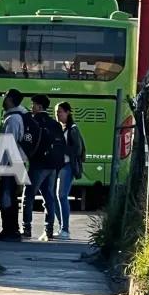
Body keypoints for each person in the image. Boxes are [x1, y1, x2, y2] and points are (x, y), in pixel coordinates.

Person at [22, 94, 65, 241]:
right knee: (49, 198)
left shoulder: (34, 122)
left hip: (38, 164)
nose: (31, 107)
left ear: (39, 106)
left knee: (29, 197)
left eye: (33, 104)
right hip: (53, 166)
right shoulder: (55, 124)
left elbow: (28, 141)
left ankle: (26, 228)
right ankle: (49, 230)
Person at [0, 89, 29, 242]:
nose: (3, 100)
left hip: (11, 164)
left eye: (4, 97)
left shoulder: (12, 119)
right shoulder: (17, 117)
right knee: (10, 196)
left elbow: (8, 145)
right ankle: (10, 230)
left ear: (10, 100)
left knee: (6, 197)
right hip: (15, 163)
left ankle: (10, 231)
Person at [54, 101, 85, 240]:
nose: (58, 115)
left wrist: (61, 147)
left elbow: (77, 150)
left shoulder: (72, 129)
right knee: (54, 197)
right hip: (59, 165)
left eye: (60, 112)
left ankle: (65, 229)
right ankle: (61, 226)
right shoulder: (61, 128)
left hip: (68, 165)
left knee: (61, 195)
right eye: (56, 112)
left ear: (68, 112)